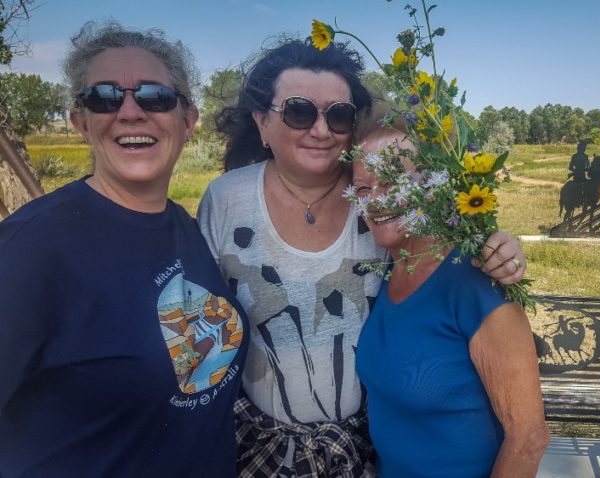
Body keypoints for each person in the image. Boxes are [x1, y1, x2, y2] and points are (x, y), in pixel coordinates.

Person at [197, 38, 527, 477]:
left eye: (338, 115)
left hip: (365, 449)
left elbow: (451, 254)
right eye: (298, 111)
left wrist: (500, 245)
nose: (320, 130)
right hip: (259, 446)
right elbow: (204, 325)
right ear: (261, 122)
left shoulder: (379, 203)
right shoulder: (226, 200)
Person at [0, 22, 247, 477]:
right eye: (104, 97)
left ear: (187, 120)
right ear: (80, 121)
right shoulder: (27, 251)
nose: (130, 112)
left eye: (155, 96)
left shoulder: (187, 227)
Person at [352, 127, 549, 477]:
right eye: (364, 188)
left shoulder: (476, 280)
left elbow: (529, 438)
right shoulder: (384, 270)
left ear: (430, 184)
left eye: (393, 182)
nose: (376, 200)